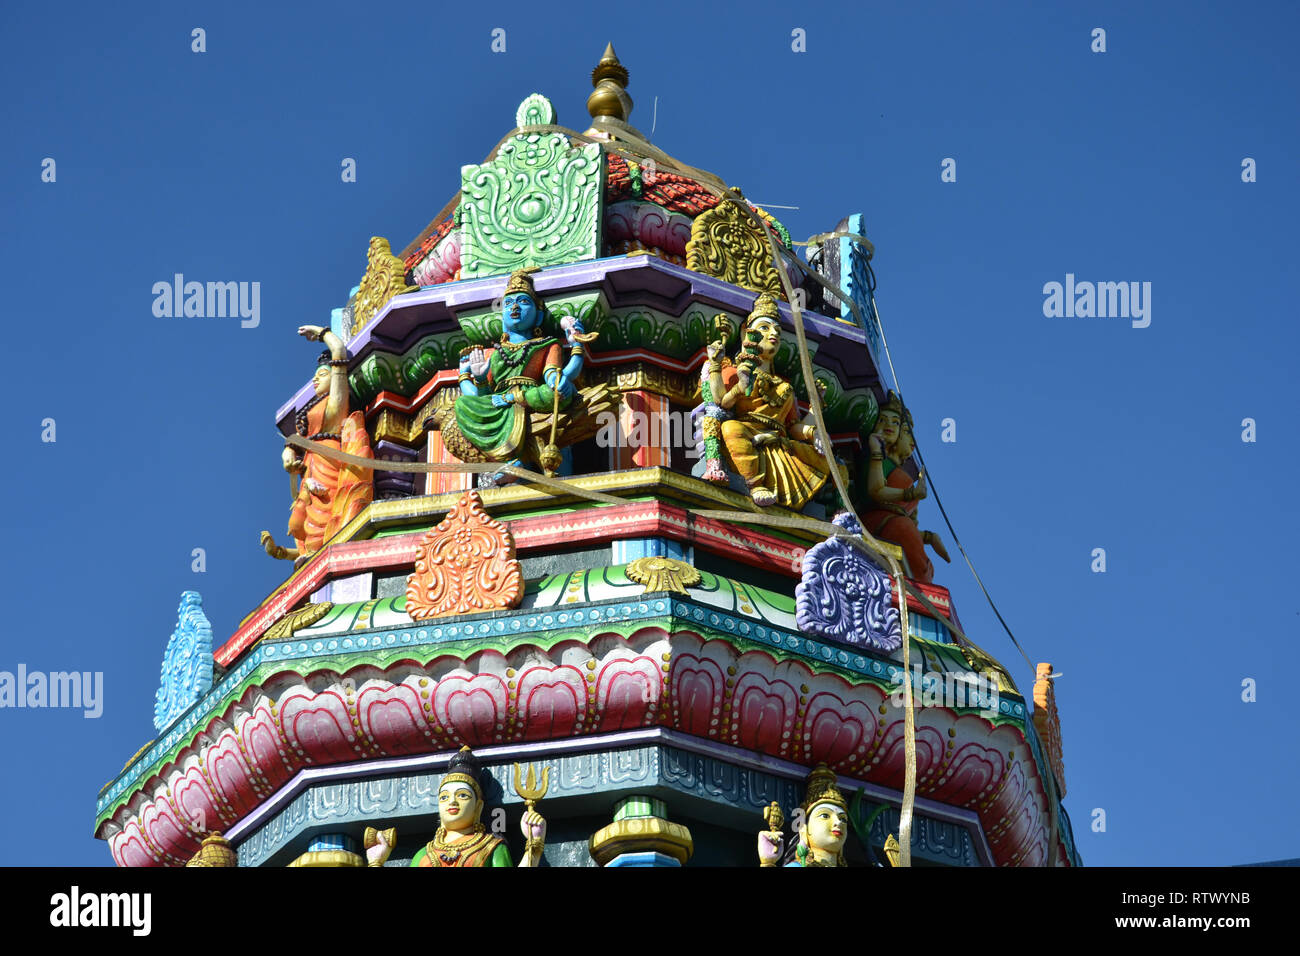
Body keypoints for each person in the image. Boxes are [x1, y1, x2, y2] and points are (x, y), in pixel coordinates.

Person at [435, 269, 590, 484]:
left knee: (556, 391)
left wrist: (576, 347)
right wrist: (473, 377)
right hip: (497, 402)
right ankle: (508, 460)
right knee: (463, 405)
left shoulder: (547, 345)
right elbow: (481, 395)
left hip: (530, 395)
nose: (514, 307)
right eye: (508, 304)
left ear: (539, 315)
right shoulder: (494, 353)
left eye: (523, 302)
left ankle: (514, 459)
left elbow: (555, 377)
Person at [706, 294, 839, 509]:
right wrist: (718, 368)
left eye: (777, 330)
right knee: (731, 428)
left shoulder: (784, 385)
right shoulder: (735, 371)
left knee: (831, 461)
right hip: (748, 433)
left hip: (780, 441)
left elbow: (793, 427)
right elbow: (721, 402)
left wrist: (815, 417)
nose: (774, 334)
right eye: (765, 328)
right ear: (745, 333)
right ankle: (755, 483)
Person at [261, 325, 372, 564]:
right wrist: (289, 453)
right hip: (312, 463)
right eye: (316, 375)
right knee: (301, 519)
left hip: (329, 459)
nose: (315, 379)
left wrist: (323, 334)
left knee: (327, 508)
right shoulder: (310, 416)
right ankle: (308, 553)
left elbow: (339, 353)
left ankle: (319, 550)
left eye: (322, 375)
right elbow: (295, 440)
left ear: (334, 377)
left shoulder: (335, 407)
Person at [364, 746, 546, 867]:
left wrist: (534, 843)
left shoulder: (491, 847)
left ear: (478, 806)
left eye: (462, 795)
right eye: (444, 797)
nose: (452, 802)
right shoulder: (424, 855)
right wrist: (376, 861)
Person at [862, 391, 949, 583]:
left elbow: (904, 522)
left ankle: (920, 593)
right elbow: (875, 491)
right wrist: (910, 493)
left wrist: (929, 537)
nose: (889, 427)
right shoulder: (878, 457)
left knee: (921, 566)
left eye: (896, 423)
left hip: (895, 527)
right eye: (883, 420)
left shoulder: (896, 467)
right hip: (872, 523)